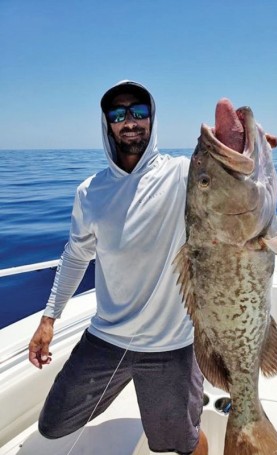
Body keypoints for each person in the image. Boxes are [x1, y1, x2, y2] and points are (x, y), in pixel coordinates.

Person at [29, 80, 208, 455]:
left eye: (139, 112)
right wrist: (49, 318)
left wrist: (248, 147)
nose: (130, 121)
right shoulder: (90, 192)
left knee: (182, 443)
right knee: (52, 424)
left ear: (152, 119)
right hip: (106, 339)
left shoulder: (181, 174)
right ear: (107, 124)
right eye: (119, 114)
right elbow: (76, 256)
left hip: (170, 346)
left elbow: (227, 170)